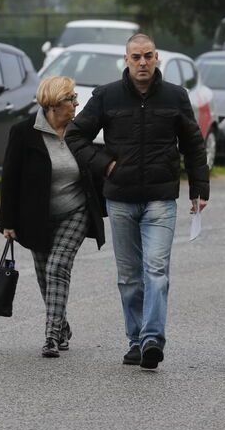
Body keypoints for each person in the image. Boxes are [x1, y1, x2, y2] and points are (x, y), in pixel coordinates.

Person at [65, 33, 209, 369]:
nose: (142, 62)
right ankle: (135, 338)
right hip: (121, 199)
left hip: (161, 198)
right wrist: (104, 164)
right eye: (135, 57)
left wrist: (199, 189)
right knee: (129, 277)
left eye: (147, 56)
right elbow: (75, 135)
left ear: (156, 57)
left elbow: (193, 144)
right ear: (126, 60)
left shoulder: (175, 96)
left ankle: (152, 340)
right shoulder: (106, 96)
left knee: (156, 270)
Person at [0, 76, 106, 358]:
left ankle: (50, 336)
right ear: (55, 104)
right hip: (36, 217)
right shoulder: (24, 133)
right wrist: (7, 221)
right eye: (71, 99)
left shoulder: (79, 131)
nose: (77, 103)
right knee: (45, 275)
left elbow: (95, 166)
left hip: (76, 211)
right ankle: (62, 327)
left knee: (57, 267)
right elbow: (10, 178)